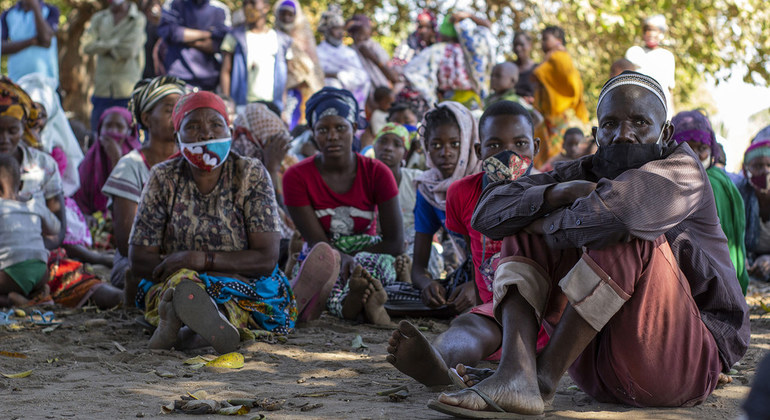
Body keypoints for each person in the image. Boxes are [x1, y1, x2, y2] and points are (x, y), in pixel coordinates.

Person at [431, 72, 750, 417]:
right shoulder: (585, 170)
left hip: (680, 363)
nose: (624, 134)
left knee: (623, 229)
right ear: (598, 135)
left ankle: (541, 380)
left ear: (666, 133)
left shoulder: (683, 170)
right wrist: (556, 193)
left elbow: (621, 218)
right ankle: (515, 373)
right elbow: (486, 214)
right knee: (526, 218)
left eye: (640, 122)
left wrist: (545, 221)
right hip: (597, 369)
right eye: (611, 124)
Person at [388, 100, 551, 386]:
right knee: (466, 326)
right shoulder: (462, 193)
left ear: (536, 147)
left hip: (545, 315)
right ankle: (437, 363)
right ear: (479, 151)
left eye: (521, 144)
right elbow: (474, 258)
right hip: (494, 313)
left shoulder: (551, 194)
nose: (509, 155)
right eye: (495, 146)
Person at [129, 91, 298, 353]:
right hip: (178, 279)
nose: (206, 134)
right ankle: (195, 327)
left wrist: (200, 260)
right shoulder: (163, 177)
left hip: (241, 283)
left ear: (229, 131)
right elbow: (139, 258)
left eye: (215, 125)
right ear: (177, 137)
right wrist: (190, 269)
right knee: (183, 286)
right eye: (193, 126)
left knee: (234, 297)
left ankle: (186, 329)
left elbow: (266, 258)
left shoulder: (249, 173)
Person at [283, 87, 403, 325]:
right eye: (323, 129)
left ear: (355, 128)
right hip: (323, 253)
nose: (333, 136)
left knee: (376, 267)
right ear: (312, 132)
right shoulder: (295, 177)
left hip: (369, 252)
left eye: (340, 127)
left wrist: (353, 258)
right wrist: (339, 258)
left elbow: (395, 242)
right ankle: (355, 304)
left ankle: (355, 300)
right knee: (319, 267)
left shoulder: (377, 172)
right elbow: (318, 241)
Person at [102, 76, 186, 293]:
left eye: (181, 109)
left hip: (185, 258)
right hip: (139, 262)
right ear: (147, 118)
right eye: (169, 110)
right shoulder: (131, 166)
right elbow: (126, 243)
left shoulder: (190, 163)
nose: (177, 116)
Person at [409, 102, 479, 313]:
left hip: (508, 273)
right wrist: (427, 285)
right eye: (436, 145)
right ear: (426, 147)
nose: (445, 153)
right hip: (471, 273)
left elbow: (508, 255)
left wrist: (478, 287)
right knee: (395, 296)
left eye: (455, 144)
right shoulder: (429, 188)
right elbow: (418, 267)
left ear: (468, 142)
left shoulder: (487, 181)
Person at [671, 110, 749, 294]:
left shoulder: (715, 183)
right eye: (688, 147)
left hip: (711, 285)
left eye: (702, 149)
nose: (696, 155)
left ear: (711, 149)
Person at [0, 154, 60, 308]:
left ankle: (9, 300)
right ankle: (40, 292)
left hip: (9, 274)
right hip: (40, 271)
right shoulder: (35, 205)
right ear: (20, 185)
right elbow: (56, 228)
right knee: (29, 280)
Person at [403, 12, 495, 111]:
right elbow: (487, 28)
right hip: (474, 102)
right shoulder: (475, 48)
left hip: (446, 103)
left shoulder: (438, 50)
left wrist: (430, 96)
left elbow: (411, 71)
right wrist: (470, 16)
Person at [82, 0, 147, 131]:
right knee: (98, 135)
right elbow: (87, 46)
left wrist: (101, 45)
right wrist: (116, 43)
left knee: (129, 137)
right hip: (102, 90)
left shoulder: (138, 18)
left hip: (128, 92)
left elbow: (129, 50)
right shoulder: (99, 18)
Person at [17, 73, 84, 198]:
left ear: (50, 116)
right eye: (31, 113)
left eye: (42, 115)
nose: (36, 120)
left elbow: (48, 188)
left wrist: (38, 149)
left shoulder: (57, 151)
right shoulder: (10, 141)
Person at [532, 26, 588, 168]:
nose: (542, 43)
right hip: (547, 115)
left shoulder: (559, 57)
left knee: (554, 149)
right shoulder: (554, 56)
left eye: (546, 39)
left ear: (558, 40)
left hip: (555, 114)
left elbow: (540, 73)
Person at [220, 0, 290, 112]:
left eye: (252, 3)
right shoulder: (235, 36)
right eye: (245, 4)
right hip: (242, 105)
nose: (248, 7)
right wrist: (227, 102)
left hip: (272, 106)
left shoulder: (280, 40)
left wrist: (284, 104)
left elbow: (285, 76)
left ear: (266, 7)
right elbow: (225, 71)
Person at [372, 123, 421, 278]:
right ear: (374, 146)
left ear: (405, 153)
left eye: (397, 144)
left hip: (413, 243)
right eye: (383, 141)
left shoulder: (416, 180)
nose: (388, 148)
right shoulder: (363, 180)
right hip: (380, 243)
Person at [74, 107, 141, 216]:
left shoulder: (138, 161)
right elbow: (79, 198)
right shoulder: (88, 163)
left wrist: (117, 160)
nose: (113, 131)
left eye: (119, 127)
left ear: (129, 132)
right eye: (108, 126)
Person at [272, 0, 324, 129]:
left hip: (303, 90)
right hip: (280, 91)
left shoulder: (305, 36)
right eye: (283, 14)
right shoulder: (272, 36)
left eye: (290, 15)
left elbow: (312, 67)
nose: (286, 18)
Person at [157, 0, 231, 91]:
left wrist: (185, 38)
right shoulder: (173, 3)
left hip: (209, 84)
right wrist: (210, 34)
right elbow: (173, 34)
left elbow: (219, 44)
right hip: (177, 80)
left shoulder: (220, 9)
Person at [316, 5, 370, 111]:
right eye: (336, 28)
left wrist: (338, 75)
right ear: (327, 30)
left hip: (352, 103)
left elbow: (362, 77)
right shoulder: (317, 52)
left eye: (342, 28)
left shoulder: (350, 53)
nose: (341, 32)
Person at [625, 14, 675, 117]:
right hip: (635, 109)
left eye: (655, 30)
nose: (651, 34)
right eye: (648, 30)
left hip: (659, 111)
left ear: (661, 34)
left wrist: (671, 115)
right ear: (643, 33)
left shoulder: (667, 57)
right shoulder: (634, 52)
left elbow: (669, 91)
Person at [736, 135, 770, 282]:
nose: (766, 171)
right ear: (746, 170)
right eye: (757, 166)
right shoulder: (739, 194)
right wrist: (742, 260)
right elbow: (733, 237)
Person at [0, 0, 59, 84]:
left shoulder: (51, 10)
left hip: (45, 82)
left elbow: (45, 39)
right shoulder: (7, 15)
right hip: (16, 81)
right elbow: (2, 48)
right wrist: (31, 41)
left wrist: (35, 6)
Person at [346, 14, 400, 90]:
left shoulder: (374, 46)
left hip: (382, 93)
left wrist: (373, 57)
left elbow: (393, 76)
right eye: (355, 31)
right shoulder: (350, 51)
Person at [484, 62, 543, 128]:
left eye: (498, 76)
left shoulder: (514, 100)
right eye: (492, 75)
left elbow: (538, 118)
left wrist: (523, 131)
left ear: (512, 81)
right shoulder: (489, 98)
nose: (493, 79)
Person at [512, 32, 536, 103]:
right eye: (515, 45)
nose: (518, 48)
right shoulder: (508, 69)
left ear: (530, 45)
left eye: (521, 44)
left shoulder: (537, 69)